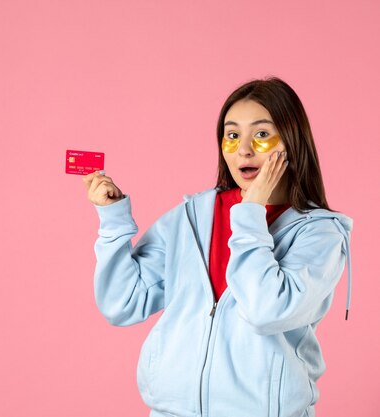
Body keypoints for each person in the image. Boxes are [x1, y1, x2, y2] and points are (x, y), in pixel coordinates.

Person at [82, 77, 353, 417]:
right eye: (233, 134)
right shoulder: (191, 217)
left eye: (262, 134)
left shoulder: (320, 234)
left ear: (292, 141)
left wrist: (251, 212)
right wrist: (113, 221)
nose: (244, 149)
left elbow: (266, 310)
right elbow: (123, 303)